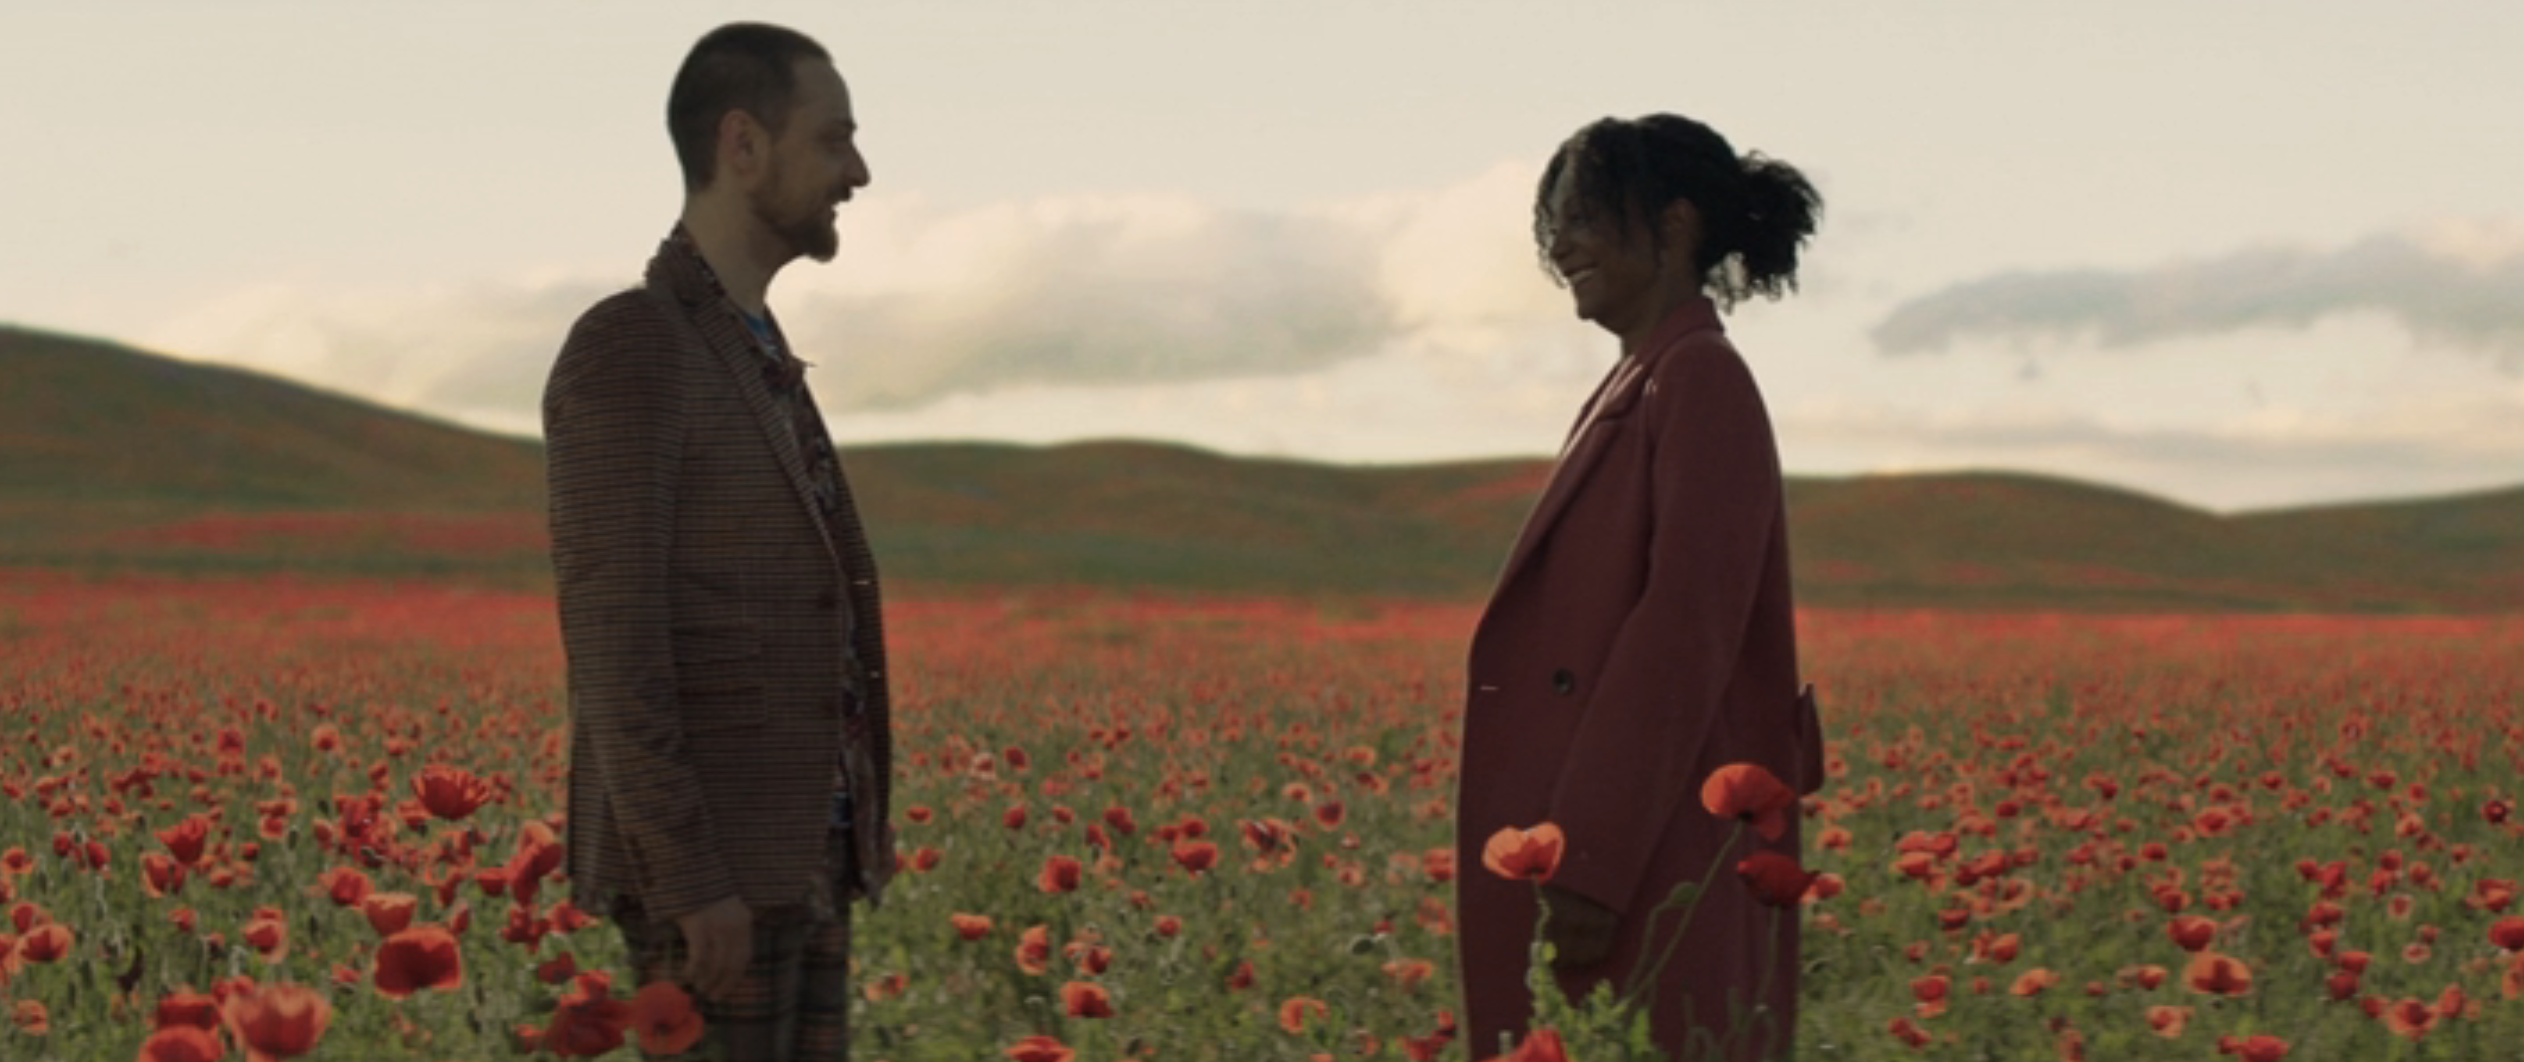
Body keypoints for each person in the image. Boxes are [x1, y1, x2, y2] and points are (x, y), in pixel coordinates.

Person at [542, 22, 892, 1062]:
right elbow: (614, 644)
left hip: (797, 860)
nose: (858, 172)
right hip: (713, 883)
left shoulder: (751, 344)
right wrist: (694, 878)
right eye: (834, 141)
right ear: (743, 145)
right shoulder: (634, 346)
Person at [1453, 114, 1827, 1061]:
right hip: (1630, 845)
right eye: (1552, 228)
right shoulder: (1644, 380)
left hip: (1656, 853)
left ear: (1673, 227)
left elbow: (1682, 633)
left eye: (1581, 218)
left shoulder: (1699, 379)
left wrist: (1593, 859)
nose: (1560, 246)